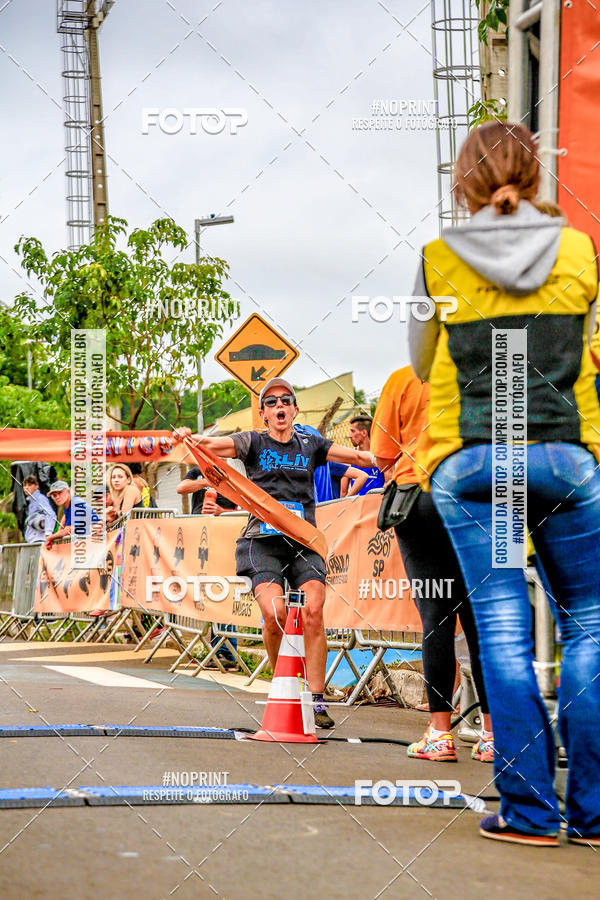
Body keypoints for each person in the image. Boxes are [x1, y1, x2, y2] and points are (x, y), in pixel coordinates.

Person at [411, 121, 600, 846]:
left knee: (499, 630)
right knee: (589, 624)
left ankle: (527, 812)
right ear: (535, 174)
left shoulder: (437, 259)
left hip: (471, 462)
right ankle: (590, 811)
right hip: (564, 457)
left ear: (464, 183)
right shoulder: (581, 250)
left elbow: (423, 361)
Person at [173, 376, 377, 729]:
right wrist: (186, 437)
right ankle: (284, 683)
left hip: (303, 541)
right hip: (261, 542)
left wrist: (402, 458)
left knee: (314, 610)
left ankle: (316, 700)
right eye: (271, 402)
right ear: (263, 414)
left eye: (286, 400)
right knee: (276, 613)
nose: (279, 406)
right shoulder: (251, 441)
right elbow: (208, 445)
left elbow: (361, 457)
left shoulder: (311, 444)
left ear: (295, 410)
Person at [371, 366, 492, 762]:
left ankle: (440, 734)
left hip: (419, 497)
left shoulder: (405, 377)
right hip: (480, 499)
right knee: (480, 619)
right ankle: (494, 736)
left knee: (437, 617)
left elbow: (382, 453)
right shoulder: (488, 373)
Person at [176, 469, 239, 669]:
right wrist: (206, 481)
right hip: (200, 539)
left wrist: (222, 512)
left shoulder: (232, 473)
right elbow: (181, 488)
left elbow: (246, 508)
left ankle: (227, 653)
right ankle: (215, 650)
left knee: (222, 591)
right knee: (208, 593)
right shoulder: (197, 472)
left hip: (223, 538)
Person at [45, 481, 100, 549]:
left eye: (60, 493)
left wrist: (49, 538)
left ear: (68, 492)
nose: (57, 497)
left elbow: (68, 530)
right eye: (54, 495)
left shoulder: (75, 503)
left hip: (94, 542)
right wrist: (58, 533)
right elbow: (65, 517)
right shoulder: (68, 504)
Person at [340, 415, 384, 496]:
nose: (349, 435)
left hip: (377, 505)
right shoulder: (348, 457)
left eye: (353, 431)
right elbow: (343, 492)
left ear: (364, 433)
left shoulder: (381, 455)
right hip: (356, 506)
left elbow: (388, 485)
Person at [22, 475, 57, 544]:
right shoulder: (30, 501)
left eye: (29, 485)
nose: (26, 488)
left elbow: (51, 514)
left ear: (36, 486)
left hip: (39, 541)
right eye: (25, 485)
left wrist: (48, 533)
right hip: (32, 541)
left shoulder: (40, 498)